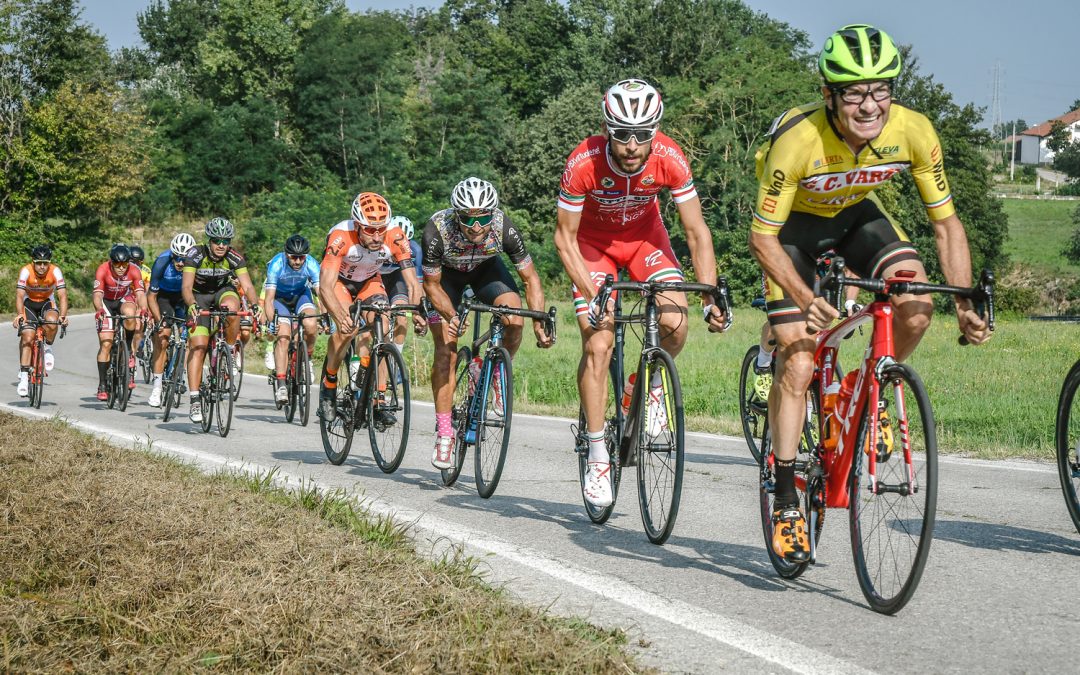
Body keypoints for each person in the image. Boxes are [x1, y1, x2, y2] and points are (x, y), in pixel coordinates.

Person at [748, 24, 991, 563]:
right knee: (799, 362)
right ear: (829, 94)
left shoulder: (914, 130)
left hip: (857, 219)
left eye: (880, 90)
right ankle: (786, 496)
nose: (869, 104)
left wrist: (964, 303)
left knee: (917, 306)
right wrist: (800, 294)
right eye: (854, 92)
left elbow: (946, 225)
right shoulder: (798, 141)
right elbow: (761, 237)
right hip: (791, 235)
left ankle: (869, 385)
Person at [554, 79, 728, 509]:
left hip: (645, 240)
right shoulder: (584, 162)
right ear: (606, 128)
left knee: (674, 320)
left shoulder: (670, 157)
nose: (633, 145)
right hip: (591, 247)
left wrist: (709, 294)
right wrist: (591, 291)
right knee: (599, 341)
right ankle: (597, 455)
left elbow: (695, 230)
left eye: (643, 135)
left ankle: (644, 386)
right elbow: (564, 238)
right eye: (622, 134)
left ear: (656, 130)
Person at [423, 176, 554, 469]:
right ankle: (445, 434)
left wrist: (538, 323)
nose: (477, 226)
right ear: (456, 215)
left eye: (483, 217)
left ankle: (495, 372)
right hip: (447, 280)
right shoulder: (437, 230)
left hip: (485, 271)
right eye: (468, 220)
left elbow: (530, 278)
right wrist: (452, 316)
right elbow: (431, 285)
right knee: (446, 351)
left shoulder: (503, 226)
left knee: (515, 317)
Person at [318, 192, 425, 423]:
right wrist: (339, 316)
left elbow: (412, 282)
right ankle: (329, 383)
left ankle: (378, 398)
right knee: (348, 330)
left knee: (384, 326)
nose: (377, 236)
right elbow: (325, 287)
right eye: (370, 230)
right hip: (339, 283)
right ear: (357, 225)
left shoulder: (395, 237)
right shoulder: (340, 237)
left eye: (381, 229)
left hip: (369, 281)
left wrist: (415, 310)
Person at [180, 218, 261, 423]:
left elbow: (248, 287)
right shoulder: (195, 255)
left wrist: (254, 305)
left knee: (232, 309)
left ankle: (230, 350)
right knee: (198, 346)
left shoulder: (234, 257)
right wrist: (192, 305)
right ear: (210, 240)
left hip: (223, 292)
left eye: (226, 241)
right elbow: (186, 288)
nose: (221, 245)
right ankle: (195, 399)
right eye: (217, 241)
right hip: (198, 296)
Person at [263, 234, 321, 405]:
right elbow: (268, 299)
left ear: (306, 256)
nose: (297, 261)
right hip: (279, 299)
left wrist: (326, 317)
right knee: (283, 336)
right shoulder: (276, 264)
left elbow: (321, 294)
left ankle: (307, 359)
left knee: (311, 323)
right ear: (286, 254)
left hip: (301, 296)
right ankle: (281, 383)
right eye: (293, 257)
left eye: (301, 257)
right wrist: (272, 321)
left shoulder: (311, 264)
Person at [91, 244, 149, 400]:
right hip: (106, 302)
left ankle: (128, 349)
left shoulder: (134, 270)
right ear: (111, 262)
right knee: (106, 344)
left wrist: (143, 309)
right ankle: (102, 384)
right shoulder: (103, 269)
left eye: (125, 264)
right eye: (117, 264)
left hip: (123, 299)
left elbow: (140, 293)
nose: (122, 268)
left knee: (131, 315)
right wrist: (99, 310)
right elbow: (97, 295)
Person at [146, 233, 196, 407]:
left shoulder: (196, 263)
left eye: (184, 259)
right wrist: (158, 319)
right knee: (163, 336)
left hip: (185, 298)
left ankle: (179, 372)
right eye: (177, 258)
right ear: (172, 254)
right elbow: (151, 296)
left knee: (192, 336)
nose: (181, 263)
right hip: (164, 297)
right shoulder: (162, 262)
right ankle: (157, 387)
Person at [13, 245, 68, 396]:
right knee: (28, 336)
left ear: (49, 262)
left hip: (46, 302)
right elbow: (19, 295)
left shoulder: (55, 271)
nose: (42, 267)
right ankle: (24, 377)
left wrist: (63, 316)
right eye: (38, 263)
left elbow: (62, 295)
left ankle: (48, 348)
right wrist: (19, 314)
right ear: (33, 262)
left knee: (52, 321)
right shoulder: (26, 271)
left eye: (45, 263)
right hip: (28, 303)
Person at [381, 215, 426, 362]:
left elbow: (417, 284)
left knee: (402, 317)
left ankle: (395, 361)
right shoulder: (379, 244)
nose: (400, 246)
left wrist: (417, 312)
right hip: (376, 278)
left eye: (405, 242)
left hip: (397, 279)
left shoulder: (415, 250)